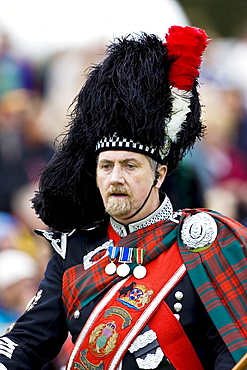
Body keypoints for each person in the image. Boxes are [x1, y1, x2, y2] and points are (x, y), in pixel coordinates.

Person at [0, 25, 246, 370]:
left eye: (130, 165)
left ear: (159, 174)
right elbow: (26, 342)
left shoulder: (204, 240)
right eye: (106, 166)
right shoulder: (74, 250)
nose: (116, 178)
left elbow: (233, 348)